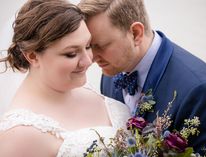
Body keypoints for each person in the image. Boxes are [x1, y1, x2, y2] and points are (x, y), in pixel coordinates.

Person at [78, 0, 206, 156]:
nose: (91, 58)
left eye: (101, 46)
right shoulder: (110, 73)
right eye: (89, 46)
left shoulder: (201, 91)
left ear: (135, 33)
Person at [0, 0, 130, 157]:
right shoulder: (18, 136)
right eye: (71, 54)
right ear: (33, 56)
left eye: (88, 46)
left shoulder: (78, 84)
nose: (88, 61)